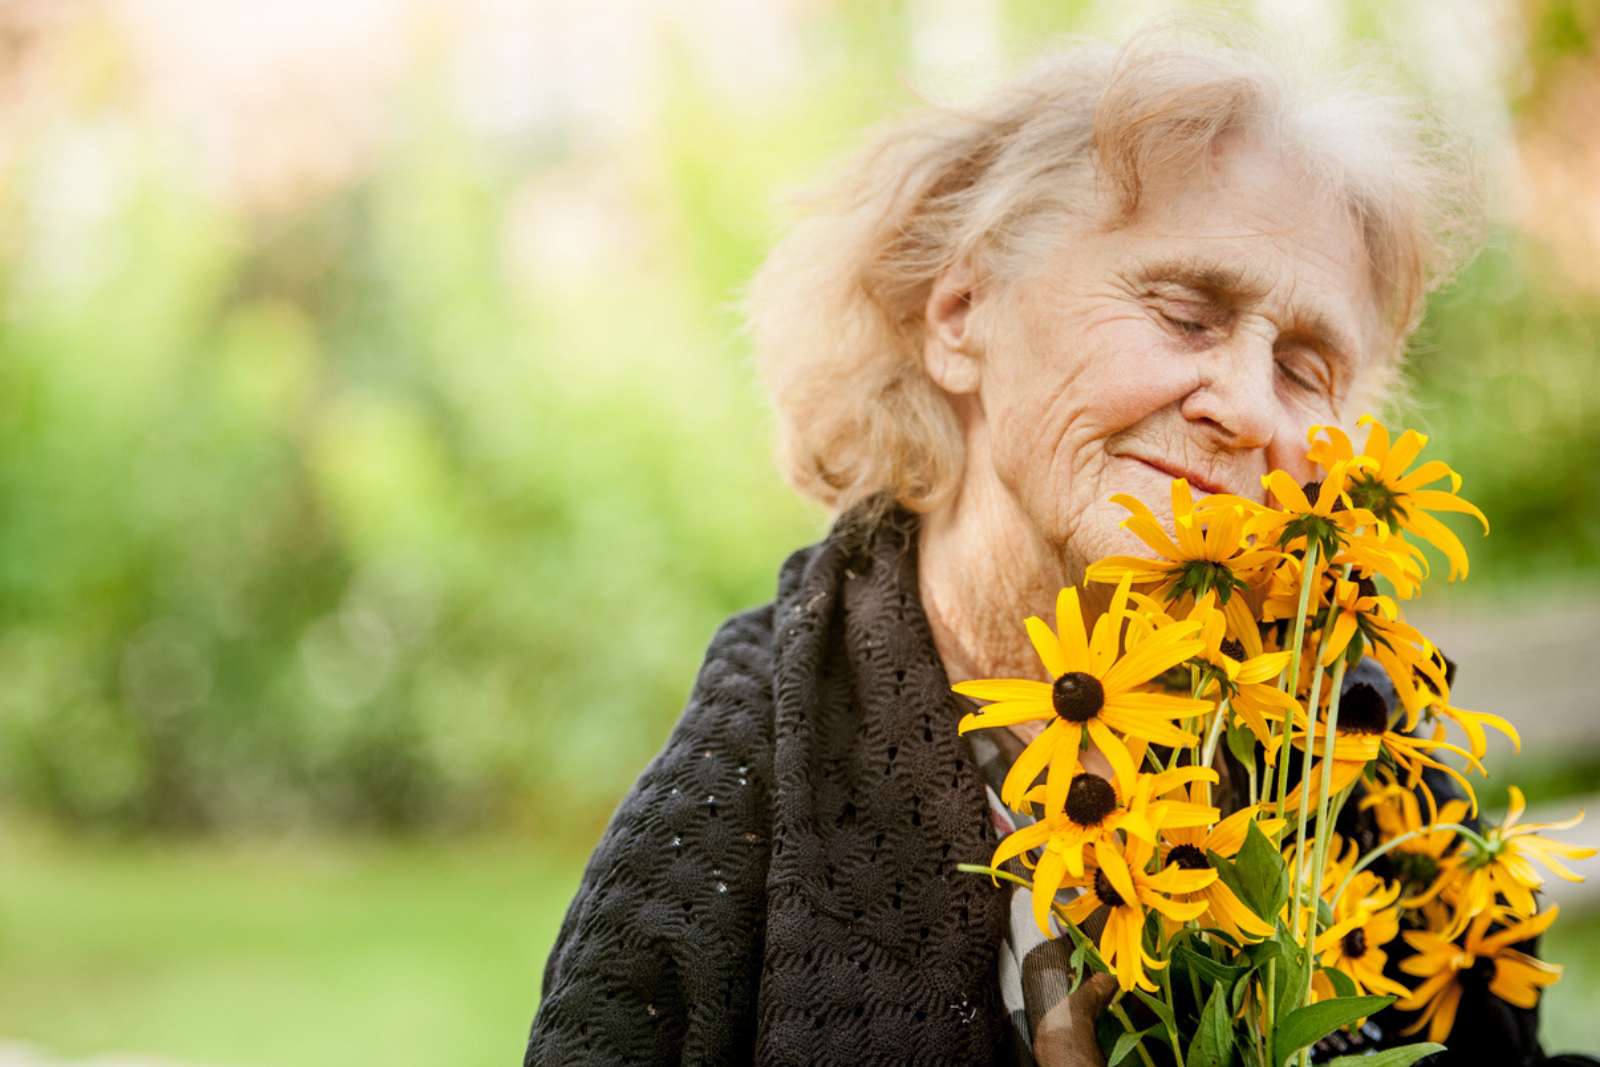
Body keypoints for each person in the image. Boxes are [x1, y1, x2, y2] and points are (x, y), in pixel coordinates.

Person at [523, 25, 1569, 1067]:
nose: (1246, 407)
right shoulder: (737, 796)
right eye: (1185, 313)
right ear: (960, 313)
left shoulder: (1354, 752)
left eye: (1304, 367)